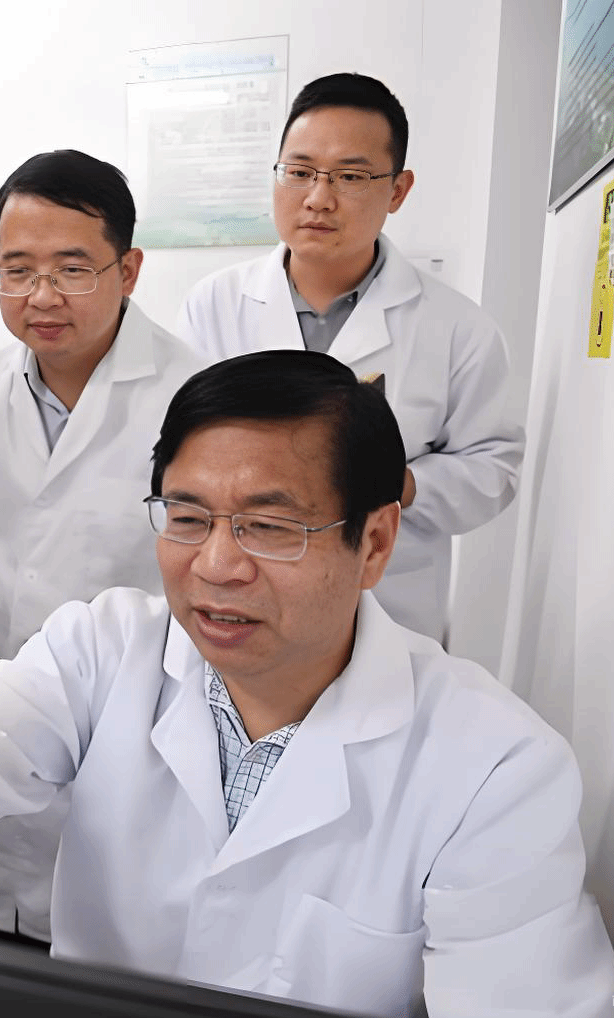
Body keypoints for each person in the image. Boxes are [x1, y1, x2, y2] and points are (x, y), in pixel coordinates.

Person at [0, 350, 614, 1018]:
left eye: (269, 527)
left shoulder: (495, 769)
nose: (216, 566)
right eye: (188, 516)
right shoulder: (110, 646)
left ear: (373, 541)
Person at [0, 149, 203, 950]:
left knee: (109, 952)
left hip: (137, 723)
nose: (41, 295)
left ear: (129, 270)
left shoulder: (194, 397)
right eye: (16, 269)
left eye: (73, 269)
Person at [176, 72, 523, 642]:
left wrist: (399, 484)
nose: (318, 197)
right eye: (299, 172)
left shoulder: (458, 328)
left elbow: (494, 470)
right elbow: (180, 446)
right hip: (241, 589)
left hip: (390, 607)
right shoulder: (214, 305)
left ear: (398, 190)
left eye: (351, 176)